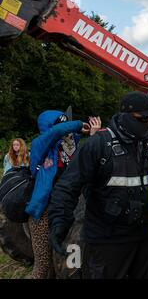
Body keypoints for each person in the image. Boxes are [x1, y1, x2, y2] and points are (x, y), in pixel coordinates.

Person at [48, 91, 148, 279]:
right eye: (144, 118)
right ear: (126, 117)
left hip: (147, 238)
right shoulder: (98, 145)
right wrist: (59, 221)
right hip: (108, 239)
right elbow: (68, 186)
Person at [26, 111, 98, 279]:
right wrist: (79, 125)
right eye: (61, 125)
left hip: (68, 208)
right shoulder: (40, 144)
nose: (67, 132)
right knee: (43, 267)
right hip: (44, 211)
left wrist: (91, 133)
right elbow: (56, 132)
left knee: (64, 263)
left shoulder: (70, 145)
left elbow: (89, 148)